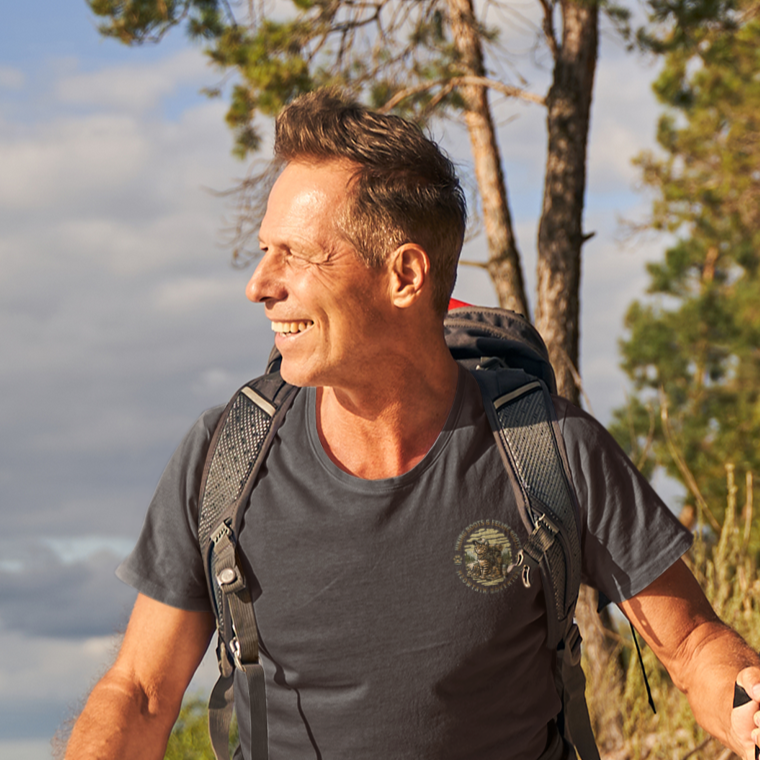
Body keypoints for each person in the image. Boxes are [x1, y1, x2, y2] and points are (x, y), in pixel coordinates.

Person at [65, 90, 760, 760]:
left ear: (404, 276)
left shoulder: (550, 452)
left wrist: (748, 706)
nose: (259, 283)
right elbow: (143, 694)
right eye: (263, 248)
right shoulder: (226, 456)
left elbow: (693, 645)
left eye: (296, 254)